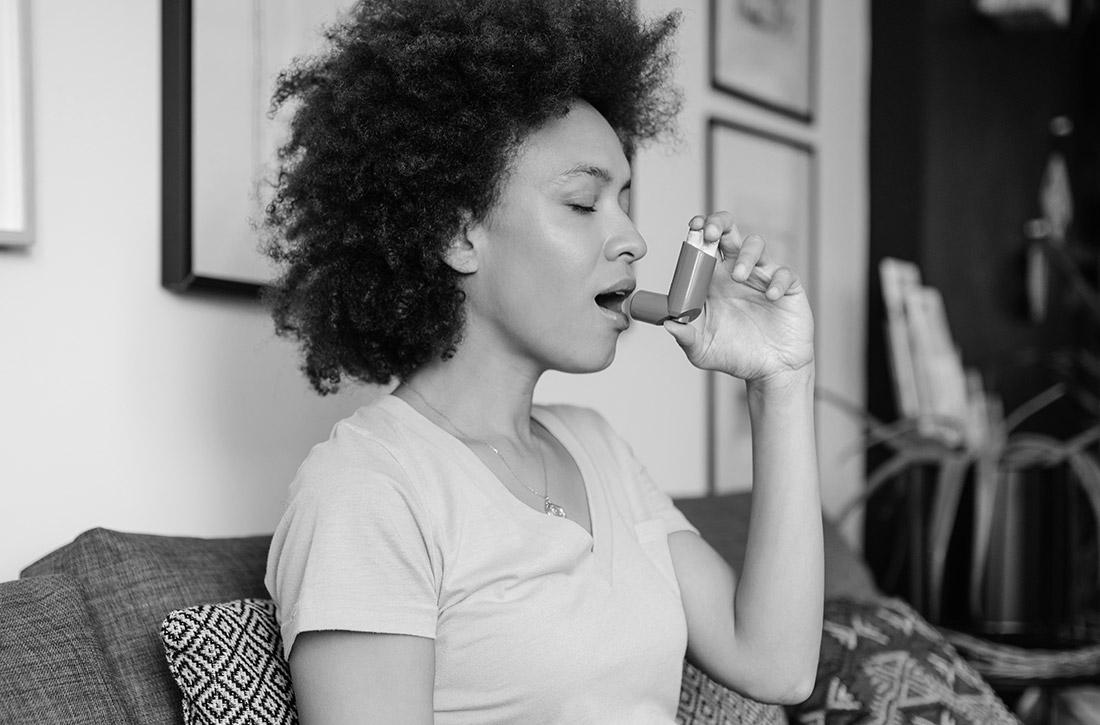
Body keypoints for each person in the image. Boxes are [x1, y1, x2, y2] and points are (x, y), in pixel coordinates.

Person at [262, 0, 823, 722]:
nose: (633, 240)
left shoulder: (599, 448)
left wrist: (781, 380)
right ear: (457, 233)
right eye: (585, 203)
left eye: (625, 199)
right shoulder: (370, 489)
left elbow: (775, 664)